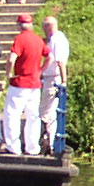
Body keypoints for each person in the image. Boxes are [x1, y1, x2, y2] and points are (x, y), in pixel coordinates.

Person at [2, 13, 47, 156]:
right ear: (31, 24)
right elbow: (50, 56)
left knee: (12, 114)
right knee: (33, 116)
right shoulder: (38, 39)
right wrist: (41, 70)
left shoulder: (20, 39)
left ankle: (13, 147)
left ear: (19, 25)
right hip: (35, 84)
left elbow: (11, 58)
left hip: (20, 83)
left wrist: (8, 74)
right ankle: (33, 148)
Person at [39, 14, 70, 154]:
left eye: (44, 27)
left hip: (53, 79)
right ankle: (49, 142)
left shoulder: (57, 40)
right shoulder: (58, 38)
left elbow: (60, 61)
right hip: (52, 77)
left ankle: (48, 143)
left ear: (48, 27)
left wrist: (64, 81)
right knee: (50, 111)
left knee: (46, 111)